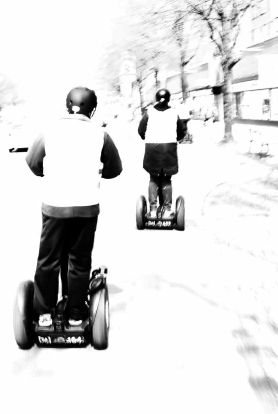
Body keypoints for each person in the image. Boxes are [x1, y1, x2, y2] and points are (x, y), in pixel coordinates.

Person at [25, 87, 123, 329]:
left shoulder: (49, 130)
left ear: (67, 106)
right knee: (79, 261)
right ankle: (76, 314)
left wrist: (49, 173)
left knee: (48, 260)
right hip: (85, 207)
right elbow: (115, 170)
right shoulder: (101, 135)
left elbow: (34, 164)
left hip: (54, 207)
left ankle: (45, 315)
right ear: (93, 109)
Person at [138, 88, 187, 219]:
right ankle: (167, 210)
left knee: (153, 177)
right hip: (168, 148)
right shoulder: (173, 113)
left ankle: (153, 210)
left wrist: (145, 137)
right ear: (169, 98)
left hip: (152, 147)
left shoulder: (149, 112)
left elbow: (141, 130)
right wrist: (174, 138)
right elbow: (181, 133)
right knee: (166, 178)